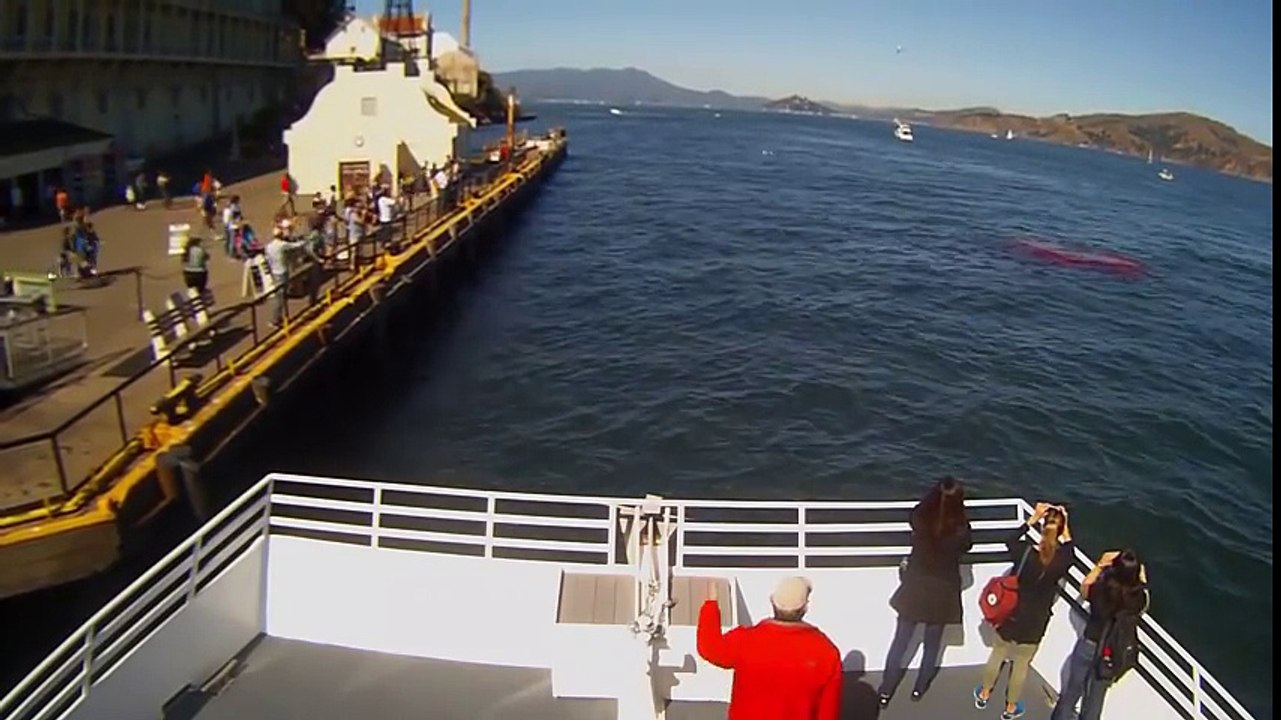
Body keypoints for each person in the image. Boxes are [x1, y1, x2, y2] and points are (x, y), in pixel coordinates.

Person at [878, 476, 973, 706]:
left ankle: (885, 691)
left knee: (900, 641)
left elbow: (916, 512)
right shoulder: (960, 530)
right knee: (932, 644)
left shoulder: (920, 519)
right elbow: (967, 546)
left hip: (915, 586)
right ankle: (919, 689)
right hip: (943, 592)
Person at [975, 503, 1075, 720]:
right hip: (1036, 620)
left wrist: (1032, 519)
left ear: (1042, 527)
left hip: (1012, 613)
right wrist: (1064, 525)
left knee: (998, 653)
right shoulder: (1061, 562)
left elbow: (1010, 540)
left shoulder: (1026, 553)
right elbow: (1070, 549)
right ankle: (1010, 708)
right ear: (1060, 532)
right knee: (1021, 663)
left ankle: (984, 694)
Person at [697, 576, 841, 720]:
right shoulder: (826, 652)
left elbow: (710, 648)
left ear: (772, 602)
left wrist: (711, 604)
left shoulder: (746, 641)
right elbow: (828, 713)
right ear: (805, 607)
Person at [1050, 549, 1149, 720]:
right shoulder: (1137, 599)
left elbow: (1085, 588)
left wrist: (1100, 564)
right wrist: (1141, 576)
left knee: (1071, 693)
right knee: (1095, 699)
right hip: (1110, 652)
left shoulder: (1102, 588)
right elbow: (1145, 599)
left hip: (1089, 643)